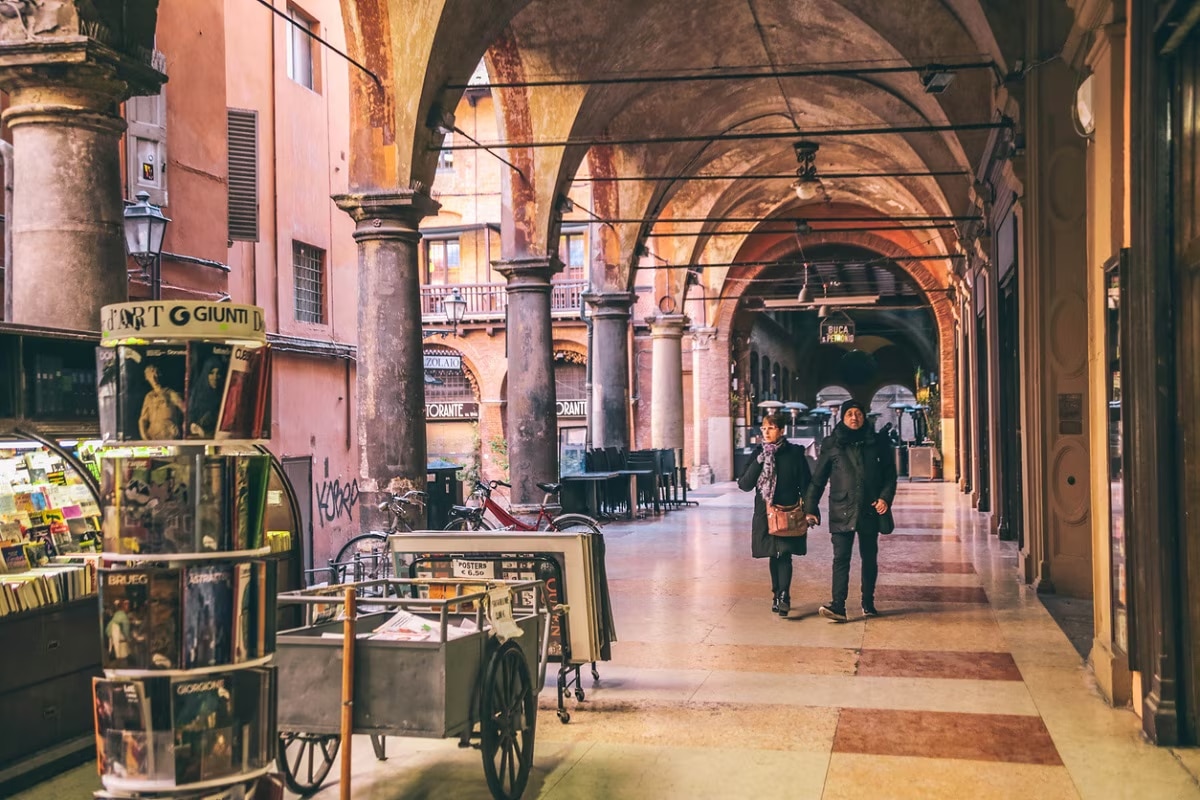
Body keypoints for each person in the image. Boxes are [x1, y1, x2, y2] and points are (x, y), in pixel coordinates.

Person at [804, 400, 897, 621]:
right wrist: (810, 507)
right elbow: (818, 480)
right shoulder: (832, 444)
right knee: (841, 558)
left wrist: (885, 498)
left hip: (869, 508)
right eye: (849, 414)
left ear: (864, 417)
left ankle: (868, 602)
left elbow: (889, 476)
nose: (854, 417)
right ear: (843, 418)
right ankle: (838, 606)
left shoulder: (877, 443)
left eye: (858, 413)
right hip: (841, 507)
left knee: (869, 557)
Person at [737, 412, 816, 617]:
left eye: (771, 428)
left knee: (785, 553)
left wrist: (810, 512)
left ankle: (784, 597)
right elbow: (744, 484)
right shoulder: (758, 453)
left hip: (788, 511)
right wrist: (760, 461)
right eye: (764, 428)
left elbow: (806, 485)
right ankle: (776, 595)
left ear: (782, 430)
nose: (766, 432)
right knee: (774, 554)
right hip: (765, 512)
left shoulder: (795, 454)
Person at [139, 363, 186, 440]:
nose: (154, 379)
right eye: (150, 376)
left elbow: (185, 411)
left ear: (160, 375)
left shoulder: (171, 393)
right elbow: (143, 419)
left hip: (169, 435)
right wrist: (144, 436)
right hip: (153, 436)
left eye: (155, 375)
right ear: (147, 378)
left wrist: (182, 427)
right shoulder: (149, 397)